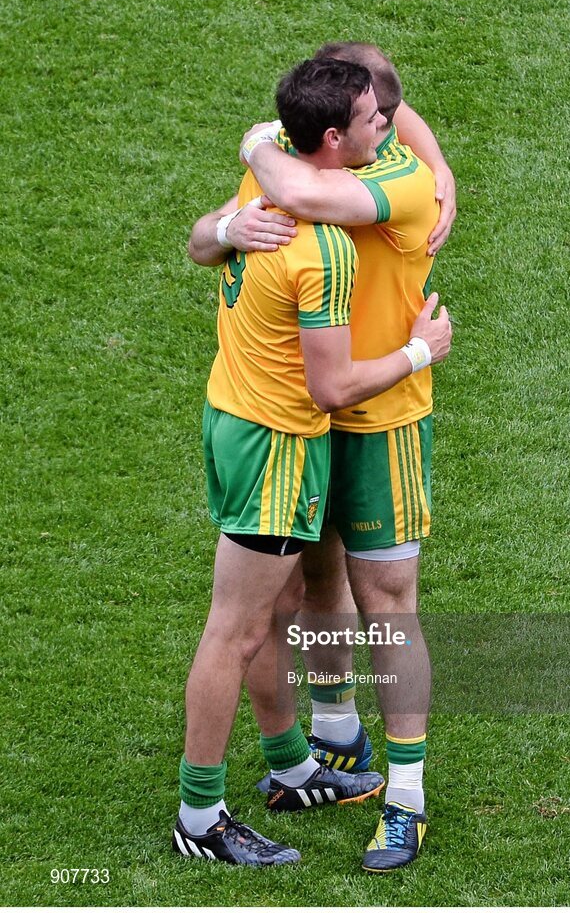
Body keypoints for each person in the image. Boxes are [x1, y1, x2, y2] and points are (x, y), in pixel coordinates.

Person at [174, 57, 452, 867]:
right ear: (338, 131)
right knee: (298, 590)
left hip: (378, 421)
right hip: (307, 417)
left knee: (388, 605)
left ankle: (405, 798)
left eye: (383, 117)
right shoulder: (298, 182)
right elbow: (213, 234)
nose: (381, 128)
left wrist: (256, 141)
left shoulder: (396, 180)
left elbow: (299, 190)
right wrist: (229, 221)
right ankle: (314, 751)